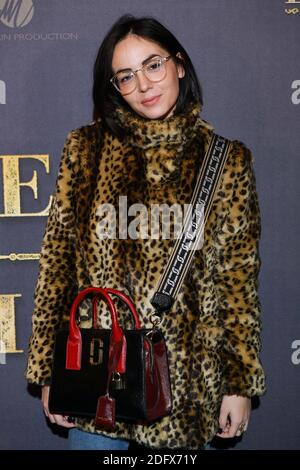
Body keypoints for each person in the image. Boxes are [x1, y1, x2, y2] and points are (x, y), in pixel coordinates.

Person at [25, 14, 266, 450]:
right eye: (125, 76)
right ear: (114, 87)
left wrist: (238, 383)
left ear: (178, 64)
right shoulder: (85, 150)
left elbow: (238, 283)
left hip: (189, 389)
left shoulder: (226, 160)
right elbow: (56, 268)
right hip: (97, 385)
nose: (143, 85)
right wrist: (51, 372)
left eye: (152, 65)